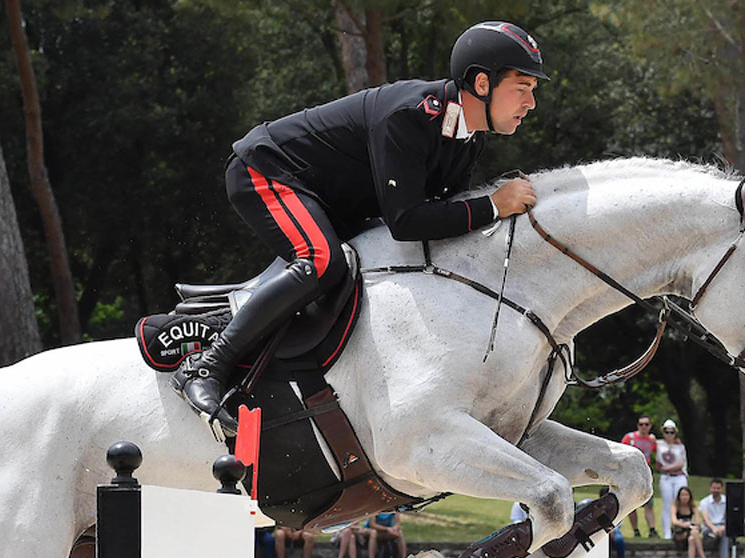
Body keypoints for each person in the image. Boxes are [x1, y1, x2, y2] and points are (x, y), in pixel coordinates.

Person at [173, 21, 548, 431]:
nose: (531, 103)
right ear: (481, 82)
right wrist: (494, 205)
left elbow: (440, 220)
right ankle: (205, 368)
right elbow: (407, 222)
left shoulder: (469, 137)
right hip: (267, 171)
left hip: (327, 197)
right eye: (523, 88)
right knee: (322, 262)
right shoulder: (410, 115)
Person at [619, 415, 659, 537]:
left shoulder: (651, 440)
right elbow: (620, 453)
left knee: (648, 503)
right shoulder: (630, 438)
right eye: (641, 424)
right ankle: (636, 531)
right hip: (631, 473)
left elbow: (658, 452)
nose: (644, 427)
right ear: (638, 426)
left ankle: (652, 530)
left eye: (646, 424)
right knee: (632, 504)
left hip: (645, 473)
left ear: (650, 426)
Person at [654, 420, 688, 539]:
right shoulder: (658, 444)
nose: (669, 434)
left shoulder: (680, 446)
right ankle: (667, 533)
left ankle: (679, 530)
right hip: (666, 477)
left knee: (680, 502)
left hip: (679, 476)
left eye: (672, 432)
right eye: (667, 432)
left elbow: (682, 463)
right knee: (667, 505)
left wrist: (668, 467)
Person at [669, 485, 713, 558]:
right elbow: (674, 521)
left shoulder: (693, 507)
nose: (684, 497)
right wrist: (684, 524)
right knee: (694, 533)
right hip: (679, 532)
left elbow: (697, 522)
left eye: (686, 495)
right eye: (682, 495)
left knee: (692, 539)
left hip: (690, 532)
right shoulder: (675, 506)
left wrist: (693, 525)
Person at [697, 478, 731, 558]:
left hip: (723, 527)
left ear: (722, 489)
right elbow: (705, 519)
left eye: (718, 488)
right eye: (714, 488)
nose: (716, 490)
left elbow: (729, 517)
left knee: (724, 535)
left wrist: (723, 528)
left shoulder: (727, 501)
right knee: (718, 534)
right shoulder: (704, 502)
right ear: (710, 488)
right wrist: (714, 529)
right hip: (709, 527)